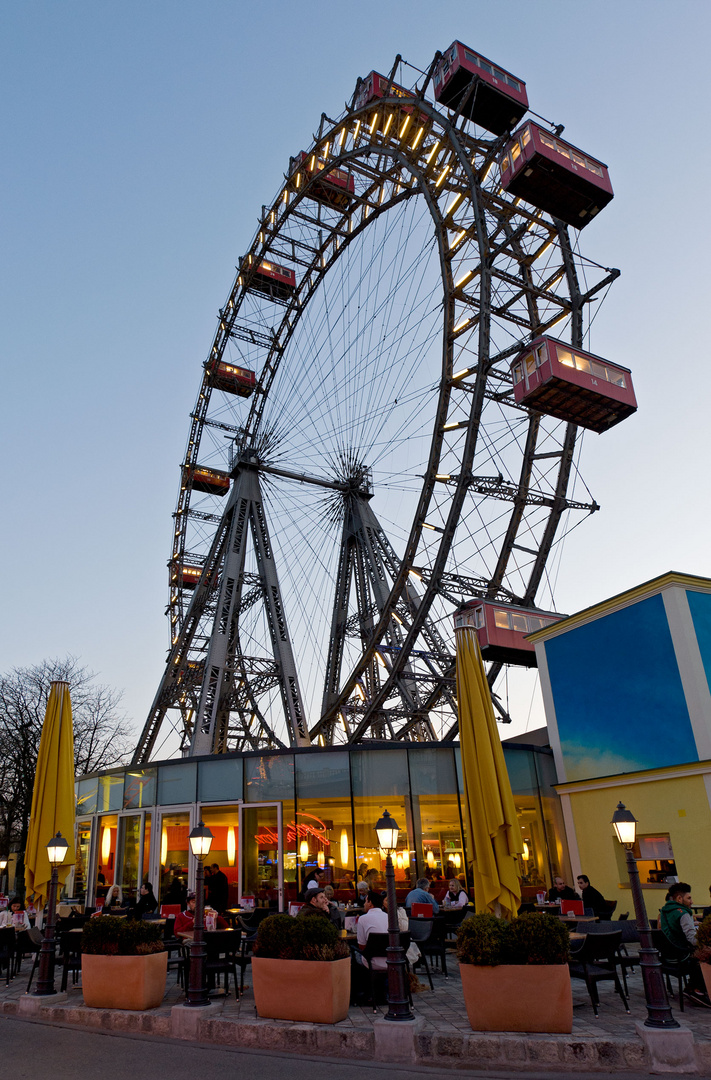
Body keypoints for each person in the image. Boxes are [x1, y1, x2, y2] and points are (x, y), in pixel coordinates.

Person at [660, 882, 711, 1007]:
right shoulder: (683, 913)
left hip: (668, 955)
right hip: (682, 955)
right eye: (689, 898)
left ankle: (692, 986)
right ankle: (697, 989)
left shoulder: (666, 910)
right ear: (679, 898)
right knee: (707, 953)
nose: (692, 901)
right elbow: (693, 939)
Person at [355, 890, 389, 971]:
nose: (364, 904)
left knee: (354, 954)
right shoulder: (388, 917)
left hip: (371, 962)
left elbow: (361, 946)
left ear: (370, 903)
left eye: (366, 901)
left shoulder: (363, 919)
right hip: (390, 961)